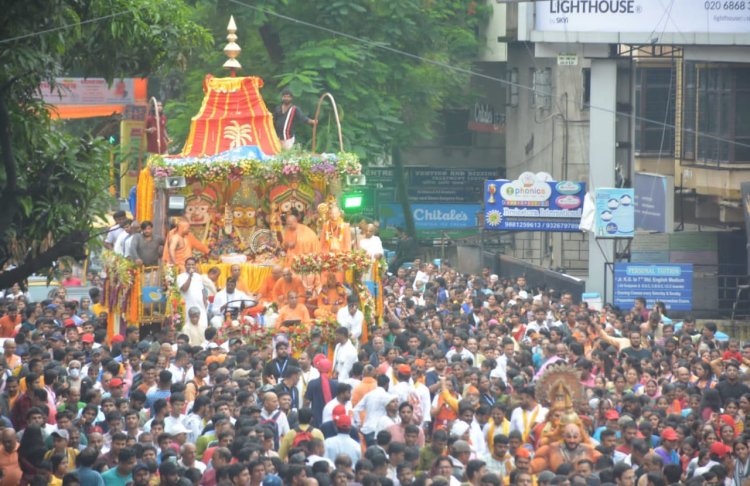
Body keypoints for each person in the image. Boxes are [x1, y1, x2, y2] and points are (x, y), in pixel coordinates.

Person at [177, 258, 207, 343]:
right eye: (189, 264)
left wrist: (204, 303)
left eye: (193, 264)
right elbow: (184, 289)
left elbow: (202, 291)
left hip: (200, 306)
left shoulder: (198, 276)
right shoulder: (180, 277)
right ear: (185, 266)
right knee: (188, 329)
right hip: (187, 306)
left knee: (202, 326)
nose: (191, 266)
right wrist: (190, 276)